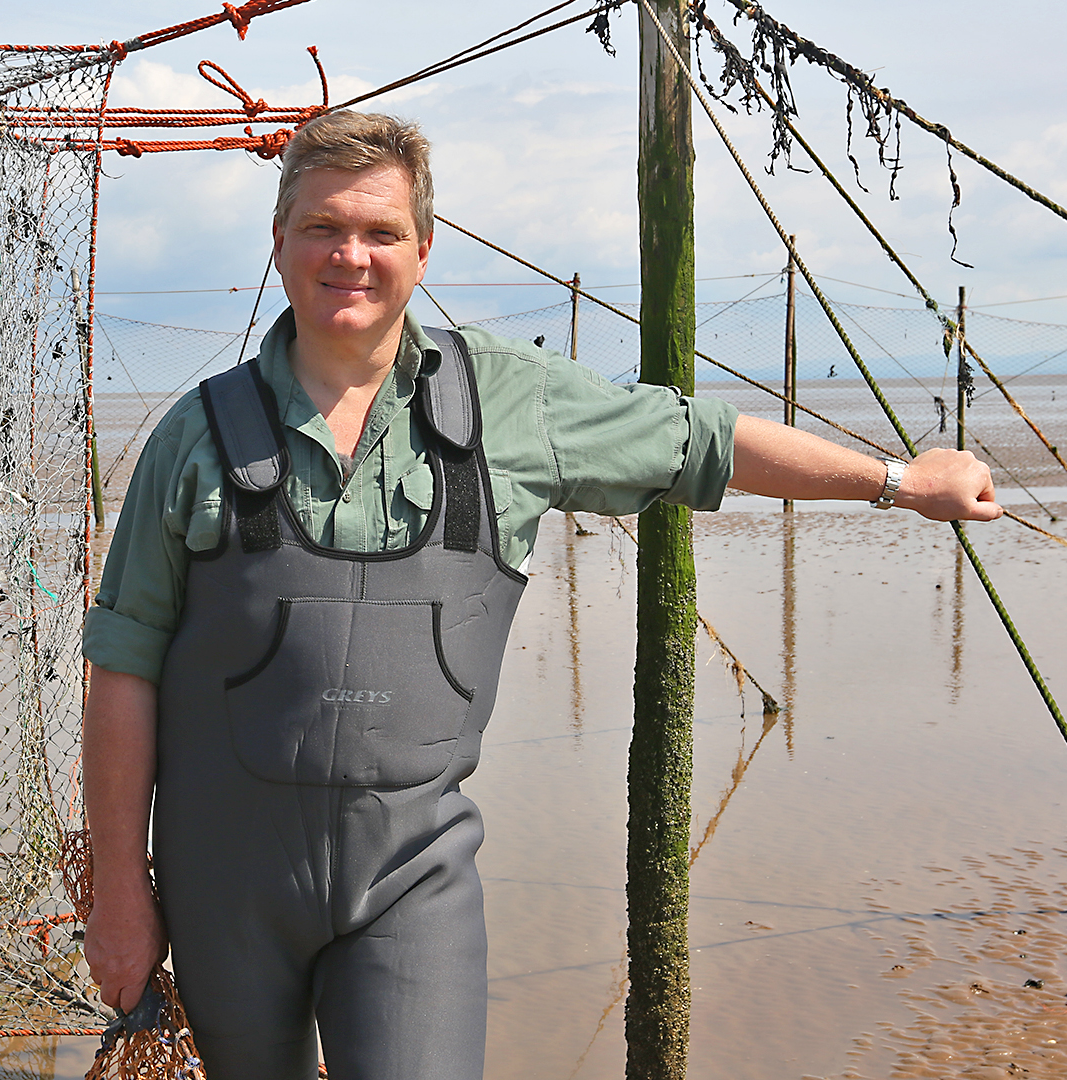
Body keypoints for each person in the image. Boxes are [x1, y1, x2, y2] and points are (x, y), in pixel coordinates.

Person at [79, 110, 998, 1080]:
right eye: (322, 227)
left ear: (423, 251)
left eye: (381, 231)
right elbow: (122, 670)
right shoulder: (197, 436)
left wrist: (897, 482)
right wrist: (120, 894)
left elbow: (701, 445)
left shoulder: (509, 407)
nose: (350, 254)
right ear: (279, 242)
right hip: (224, 889)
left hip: (411, 883)